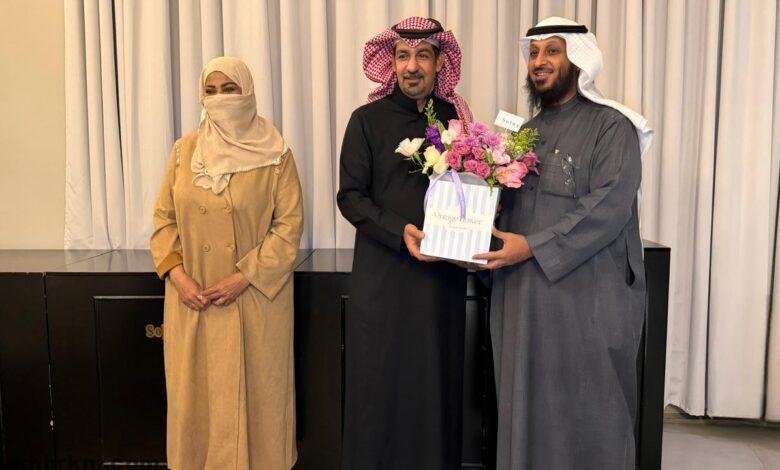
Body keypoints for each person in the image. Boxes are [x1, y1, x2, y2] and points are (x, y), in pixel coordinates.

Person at [473, 17, 654, 470]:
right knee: (523, 407)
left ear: (578, 58)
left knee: (589, 408)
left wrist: (531, 247)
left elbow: (608, 206)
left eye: (552, 51)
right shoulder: (523, 134)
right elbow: (505, 211)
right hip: (522, 300)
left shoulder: (612, 127)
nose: (539, 62)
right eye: (533, 53)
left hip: (585, 302)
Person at [150, 56, 303, 470]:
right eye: (211, 91)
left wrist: (244, 276)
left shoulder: (276, 154)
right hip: (193, 300)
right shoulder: (184, 152)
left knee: (261, 404)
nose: (220, 99)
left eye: (229, 89)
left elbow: (288, 228)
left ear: (247, 92)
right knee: (198, 406)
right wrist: (178, 276)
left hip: (255, 300)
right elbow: (163, 221)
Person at [336, 16, 472, 470]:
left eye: (423, 55)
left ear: (440, 62)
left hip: (441, 282)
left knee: (435, 383)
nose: (412, 66)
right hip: (384, 280)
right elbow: (350, 197)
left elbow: (474, 186)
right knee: (381, 386)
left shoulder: (457, 119)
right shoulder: (366, 121)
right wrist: (400, 232)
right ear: (391, 62)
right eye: (403, 56)